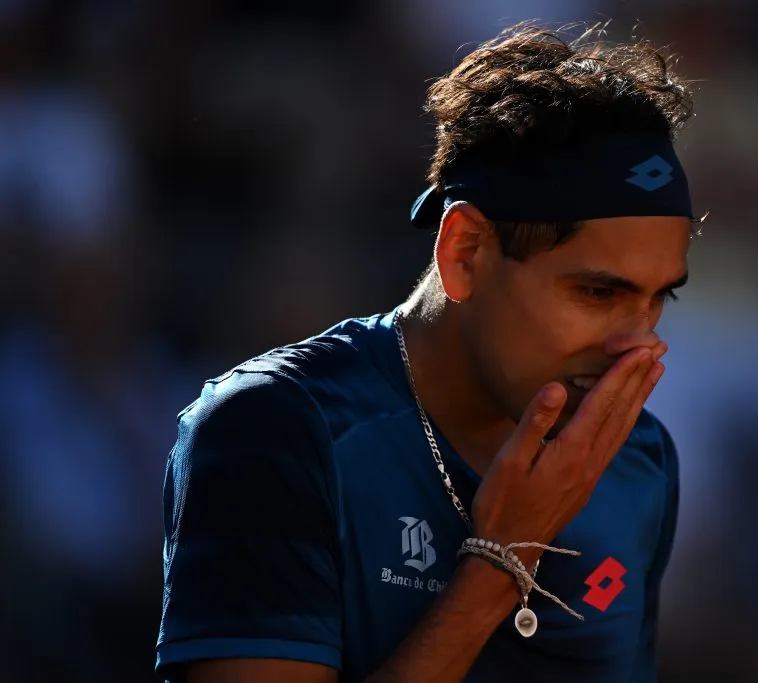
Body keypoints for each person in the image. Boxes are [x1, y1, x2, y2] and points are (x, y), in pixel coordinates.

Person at [156, 22, 698, 683]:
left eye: (657, 298)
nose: (635, 343)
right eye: (597, 292)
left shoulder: (639, 460)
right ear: (465, 251)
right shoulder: (276, 428)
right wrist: (502, 558)